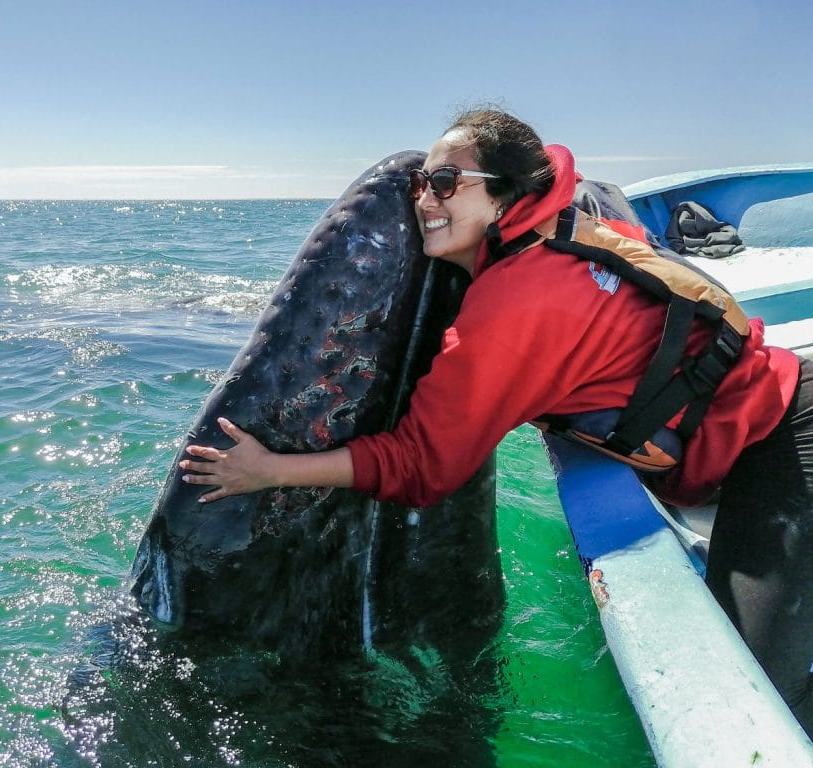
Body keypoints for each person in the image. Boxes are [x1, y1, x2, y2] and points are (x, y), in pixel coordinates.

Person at [177, 108, 813, 733]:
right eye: (422, 183)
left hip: (783, 434)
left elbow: (423, 467)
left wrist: (270, 471)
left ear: (508, 195)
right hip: (769, 406)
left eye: (448, 183)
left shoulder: (513, 307)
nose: (425, 198)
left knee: (757, 706)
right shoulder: (565, 226)